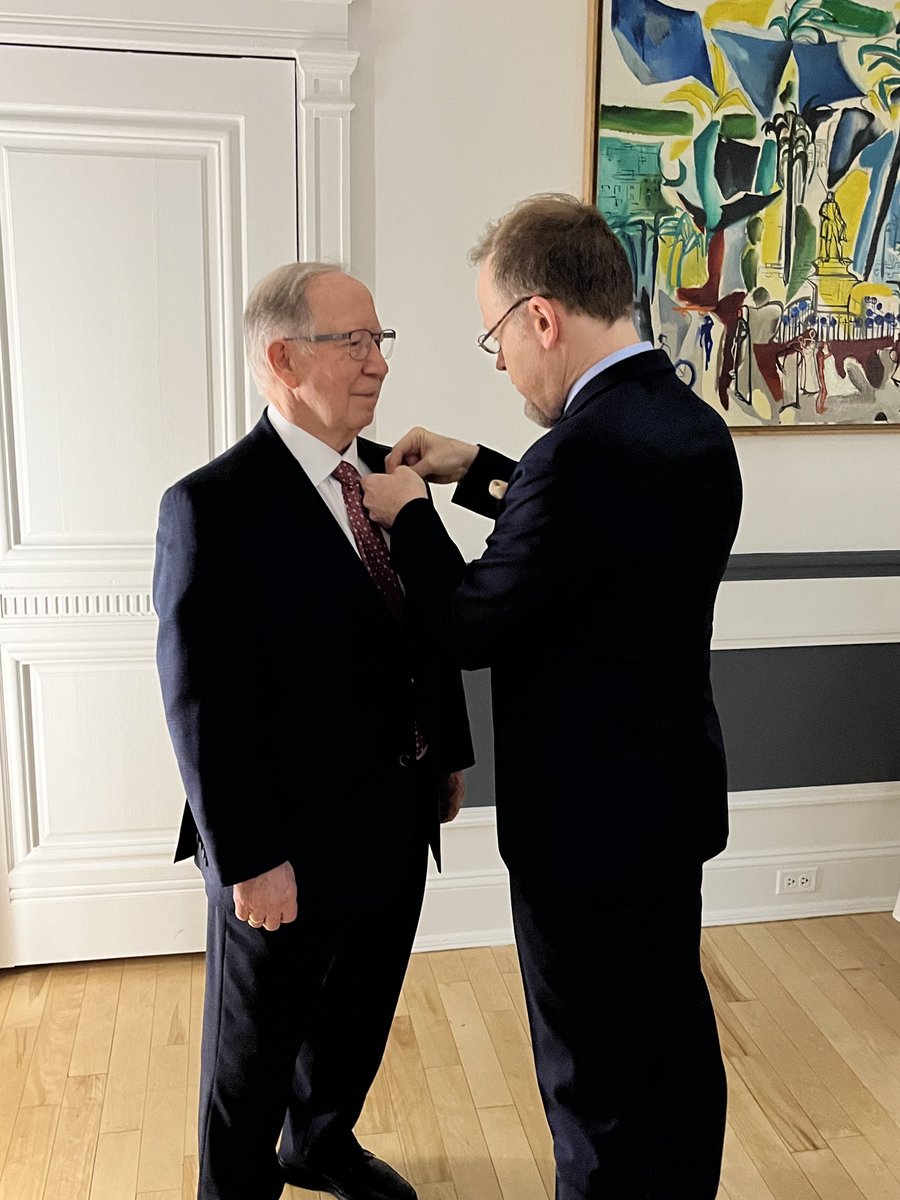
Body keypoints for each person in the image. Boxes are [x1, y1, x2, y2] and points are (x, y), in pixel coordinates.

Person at [362, 194, 743, 1200]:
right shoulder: (693, 428)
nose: (500, 364)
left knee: (592, 1082)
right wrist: (478, 471)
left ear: (541, 317)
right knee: (669, 1037)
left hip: (581, 828)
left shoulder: (579, 457)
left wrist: (410, 516)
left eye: (495, 337)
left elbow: (472, 624)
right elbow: (592, 539)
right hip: (669, 804)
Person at [153, 263, 474, 1200]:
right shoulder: (212, 505)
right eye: (355, 342)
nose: (379, 362)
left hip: (395, 813)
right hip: (283, 843)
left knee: (358, 1015)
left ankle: (320, 1144)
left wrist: (446, 752)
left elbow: (425, 626)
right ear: (283, 359)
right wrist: (250, 858)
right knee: (251, 1052)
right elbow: (202, 699)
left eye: (381, 339)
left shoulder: (391, 478)